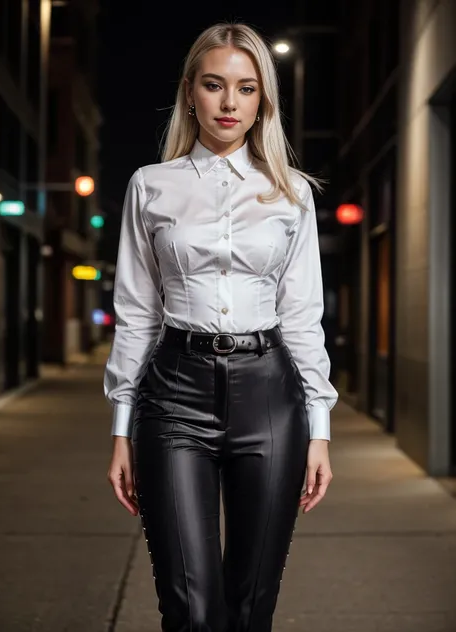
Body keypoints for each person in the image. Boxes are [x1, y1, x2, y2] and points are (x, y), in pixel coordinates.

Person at [104, 21, 338, 632]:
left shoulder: (291, 195)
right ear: (190, 91)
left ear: (264, 101)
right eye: (214, 85)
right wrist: (122, 429)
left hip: (270, 396)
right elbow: (135, 314)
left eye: (247, 88)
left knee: (250, 605)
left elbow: (302, 317)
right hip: (174, 394)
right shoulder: (151, 186)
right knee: (189, 608)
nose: (229, 102)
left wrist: (319, 430)